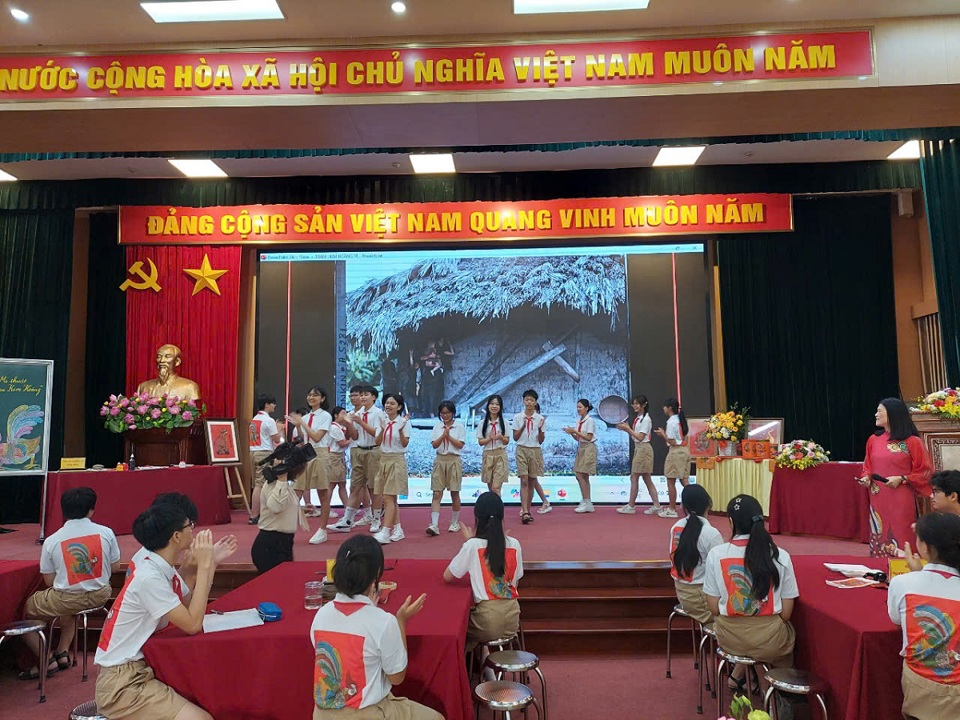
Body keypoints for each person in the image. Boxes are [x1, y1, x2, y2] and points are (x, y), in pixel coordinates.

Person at [95, 504, 219, 720]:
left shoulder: (158, 563)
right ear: (176, 536)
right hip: (123, 683)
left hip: (138, 668)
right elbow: (192, 625)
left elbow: (190, 606)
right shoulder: (150, 577)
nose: (193, 529)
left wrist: (207, 565)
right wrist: (205, 566)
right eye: (190, 525)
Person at [309, 535, 439, 720]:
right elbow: (396, 677)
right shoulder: (383, 621)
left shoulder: (321, 614)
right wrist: (401, 621)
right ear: (376, 574)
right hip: (366, 714)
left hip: (322, 714)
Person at [19, 487, 120, 680]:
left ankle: (46, 658)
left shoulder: (52, 540)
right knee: (70, 603)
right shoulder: (106, 533)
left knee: (25, 609)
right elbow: (115, 568)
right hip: (101, 594)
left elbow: (49, 581)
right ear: (92, 510)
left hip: (67, 599)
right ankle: (62, 652)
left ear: (63, 511)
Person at [703, 495, 799, 687]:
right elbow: (786, 614)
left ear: (731, 522)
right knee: (781, 642)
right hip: (770, 641)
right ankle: (772, 691)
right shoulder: (780, 555)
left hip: (730, 639)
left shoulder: (717, 554)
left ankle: (745, 675)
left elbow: (713, 608)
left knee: (751, 644)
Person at [888, 512, 960, 719]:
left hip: (919, 685)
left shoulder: (904, 584)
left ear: (925, 547)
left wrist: (916, 573)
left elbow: (895, 619)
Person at [443, 492, 523, 656]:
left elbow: (448, 576)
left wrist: (467, 542)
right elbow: (516, 582)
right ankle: (486, 670)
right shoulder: (514, 544)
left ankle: (476, 670)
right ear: (502, 517)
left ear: (477, 518)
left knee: (457, 626)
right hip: (513, 618)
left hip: (487, 620)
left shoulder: (473, 545)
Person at [857, 398, 933, 557]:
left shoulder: (913, 442)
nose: (875, 414)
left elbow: (925, 471)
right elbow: (868, 466)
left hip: (901, 496)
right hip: (878, 496)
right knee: (879, 532)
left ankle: (908, 565)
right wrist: (866, 478)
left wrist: (902, 478)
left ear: (892, 414)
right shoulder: (873, 440)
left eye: (880, 411)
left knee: (902, 531)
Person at [129, 492, 238, 590]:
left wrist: (211, 562)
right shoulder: (149, 573)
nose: (191, 530)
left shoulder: (156, 554)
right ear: (175, 533)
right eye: (190, 524)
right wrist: (205, 565)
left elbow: (181, 596)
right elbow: (192, 611)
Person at [331, 386, 386, 532]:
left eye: (365, 395)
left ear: (374, 397)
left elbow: (377, 435)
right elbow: (354, 436)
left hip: (373, 451)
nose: (362, 397)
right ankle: (348, 520)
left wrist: (360, 422)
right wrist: (349, 423)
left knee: (374, 488)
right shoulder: (356, 413)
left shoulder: (378, 413)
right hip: (359, 451)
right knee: (355, 486)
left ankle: (376, 520)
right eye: (360, 395)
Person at [670, 484, 724, 626]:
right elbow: (721, 571)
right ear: (709, 504)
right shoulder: (711, 534)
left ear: (683, 506)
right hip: (702, 598)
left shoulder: (676, 527)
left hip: (682, 593)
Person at [291, 386, 334, 545]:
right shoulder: (307, 416)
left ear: (322, 399)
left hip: (319, 454)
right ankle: (288, 527)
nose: (311, 398)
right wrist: (297, 426)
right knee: (296, 492)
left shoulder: (325, 416)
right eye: (309, 395)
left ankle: (322, 530)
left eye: (315, 395)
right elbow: (301, 439)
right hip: (305, 454)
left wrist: (302, 422)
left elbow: (316, 437)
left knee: (323, 493)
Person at [251, 459, 310, 573]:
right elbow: (275, 507)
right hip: (271, 545)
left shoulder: (284, 486)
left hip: (283, 542)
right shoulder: (275, 485)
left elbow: (283, 505)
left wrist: (302, 510)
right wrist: (282, 479)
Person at [373, 393, 411, 544]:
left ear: (399, 407)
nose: (388, 406)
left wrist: (401, 429)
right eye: (386, 403)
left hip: (396, 460)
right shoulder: (381, 420)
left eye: (392, 403)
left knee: (388, 497)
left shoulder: (404, 422)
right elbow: (377, 441)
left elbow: (404, 443)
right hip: (383, 460)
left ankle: (386, 530)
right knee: (390, 498)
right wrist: (382, 429)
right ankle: (398, 528)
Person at [616, 394, 660, 515]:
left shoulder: (646, 419)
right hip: (639, 448)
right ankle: (656, 505)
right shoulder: (639, 418)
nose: (634, 406)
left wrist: (628, 429)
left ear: (644, 405)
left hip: (643, 449)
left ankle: (631, 505)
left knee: (635, 477)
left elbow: (640, 437)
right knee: (646, 478)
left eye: (637, 403)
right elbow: (635, 436)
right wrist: (626, 429)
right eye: (633, 403)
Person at [427, 400, 466, 536]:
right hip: (440, 460)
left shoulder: (459, 427)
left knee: (454, 492)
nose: (445, 415)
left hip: (454, 460)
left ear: (453, 413)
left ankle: (454, 522)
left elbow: (460, 445)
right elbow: (434, 444)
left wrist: (448, 436)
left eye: (448, 413)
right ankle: (434, 524)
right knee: (437, 493)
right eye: (443, 413)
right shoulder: (437, 427)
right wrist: (443, 435)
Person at [513, 389, 546, 524]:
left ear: (535, 402)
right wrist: (522, 426)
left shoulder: (540, 419)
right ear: (523, 401)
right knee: (524, 480)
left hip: (535, 450)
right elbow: (515, 438)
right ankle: (524, 510)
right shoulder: (517, 417)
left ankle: (527, 508)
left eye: (532, 400)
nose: (529, 402)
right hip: (522, 449)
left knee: (532, 480)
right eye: (527, 399)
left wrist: (539, 429)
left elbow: (541, 440)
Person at [249, 393, 282, 525]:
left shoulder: (254, 419)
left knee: (257, 483)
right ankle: (254, 515)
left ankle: (257, 513)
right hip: (264, 453)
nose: (274, 406)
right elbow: (277, 439)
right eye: (272, 403)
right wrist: (279, 429)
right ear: (267, 404)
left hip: (253, 452)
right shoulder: (269, 421)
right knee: (260, 484)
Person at [654, 397, 690, 518]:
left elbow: (672, 441)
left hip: (675, 452)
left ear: (669, 408)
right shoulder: (680, 420)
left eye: (664, 407)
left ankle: (672, 509)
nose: (663, 409)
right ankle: (695, 506)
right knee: (685, 481)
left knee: (671, 480)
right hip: (685, 451)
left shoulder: (671, 422)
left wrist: (663, 434)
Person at [136, 343, 201, 401]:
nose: (162, 360)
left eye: (167, 357)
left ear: (177, 362)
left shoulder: (190, 387)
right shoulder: (143, 387)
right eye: (159, 357)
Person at [564, 398, 597, 513]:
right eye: (577, 407)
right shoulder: (579, 421)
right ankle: (587, 501)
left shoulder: (590, 421)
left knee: (580, 474)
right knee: (583, 475)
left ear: (587, 408)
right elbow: (578, 438)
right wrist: (571, 433)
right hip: (581, 447)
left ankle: (586, 501)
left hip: (588, 447)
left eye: (580, 407)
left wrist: (575, 431)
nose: (578, 409)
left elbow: (588, 437)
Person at [477, 394, 510, 495]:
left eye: (497, 404)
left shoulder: (505, 422)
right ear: (488, 406)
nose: (494, 406)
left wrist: (501, 437)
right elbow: (480, 442)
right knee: (491, 488)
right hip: (488, 455)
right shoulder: (482, 423)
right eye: (492, 404)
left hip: (500, 455)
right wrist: (489, 439)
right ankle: (492, 509)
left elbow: (507, 441)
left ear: (500, 407)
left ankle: (497, 510)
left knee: (496, 488)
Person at [326, 406, 353, 515]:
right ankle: (326, 509)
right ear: (336, 415)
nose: (345, 415)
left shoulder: (341, 427)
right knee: (331, 484)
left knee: (342, 484)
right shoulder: (334, 428)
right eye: (343, 413)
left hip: (339, 456)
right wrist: (352, 440)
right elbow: (342, 443)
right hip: (334, 457)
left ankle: (348, 508)